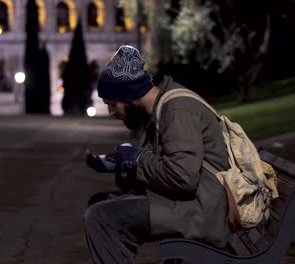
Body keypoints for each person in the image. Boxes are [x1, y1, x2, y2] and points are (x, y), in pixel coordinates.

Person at [84, 45, 230, 264]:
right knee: (99, 203)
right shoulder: (159, 111)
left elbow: (182, 177)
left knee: (101, 218)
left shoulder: (177, 110)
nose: (111, 112)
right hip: (189, 202)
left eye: (113, 104)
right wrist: (120, 166)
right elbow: (159, 169)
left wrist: (137, 158)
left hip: (203, 210)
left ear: (129, 95)